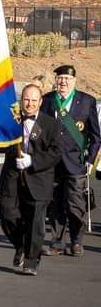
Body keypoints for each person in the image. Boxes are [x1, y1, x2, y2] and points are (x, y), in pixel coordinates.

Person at [0, 83, 61, 275]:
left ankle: (31, 262)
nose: (30, 104)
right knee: (7, 215)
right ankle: (21, 245)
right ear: (21, 100)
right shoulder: (12, 120)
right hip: (12, 178)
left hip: (39, 180)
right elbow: (0, 145)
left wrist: (32, 161)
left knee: (35, 224)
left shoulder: (51, 124)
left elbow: (56, 152)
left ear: (41, 102)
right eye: (26, 99)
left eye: (34, 100)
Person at [39, 64, 101, 256]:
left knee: (76, 205)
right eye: (60, 79)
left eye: (67, 79)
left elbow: (95, 135)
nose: (63, 82)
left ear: (74, 81)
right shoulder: (48, 100)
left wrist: (90, 158)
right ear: (55, 80)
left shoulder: (86, 101)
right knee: (55, 205)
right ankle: (57, 241)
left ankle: (76, 241)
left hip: (76, 162)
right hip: (52, 163)